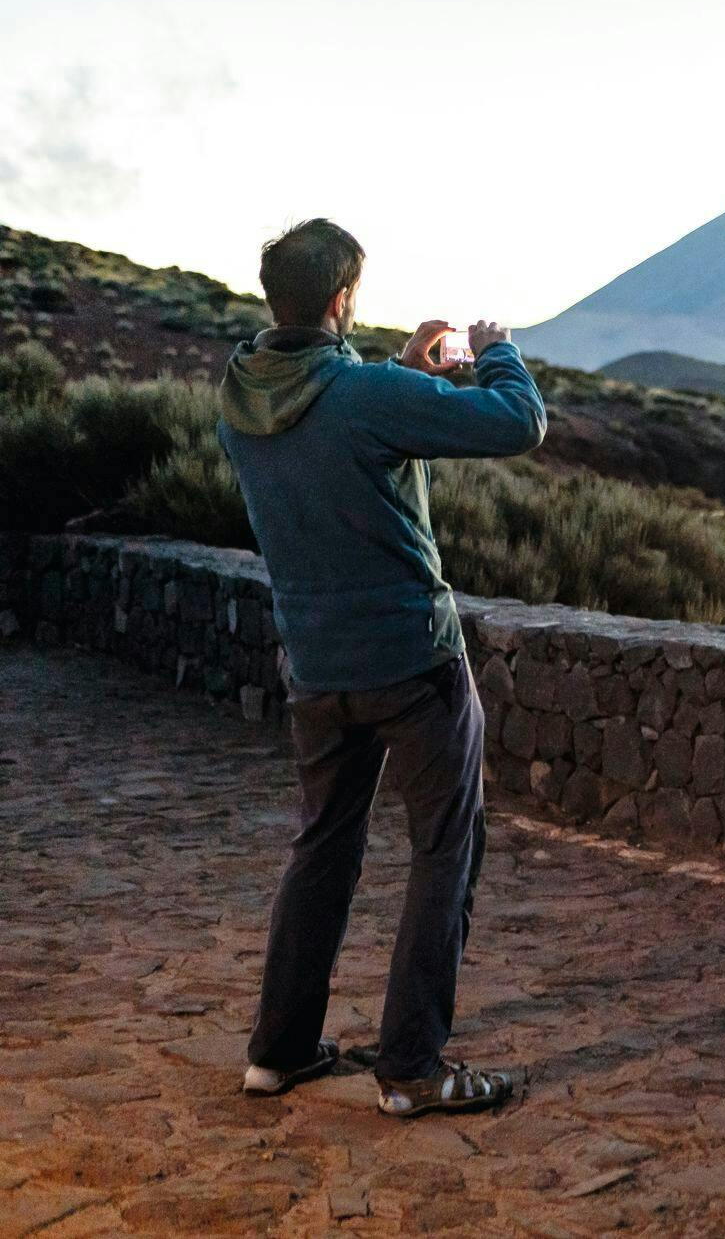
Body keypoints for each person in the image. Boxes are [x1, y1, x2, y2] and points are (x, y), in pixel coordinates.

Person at [219, 218, 545, 1118]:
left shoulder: (241, 392)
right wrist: (496, 354)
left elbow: (333, 424)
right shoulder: (362, 396)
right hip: (412, 661)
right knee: (445, 850)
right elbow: (519, 422)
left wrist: (404, 371)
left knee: (321, 849)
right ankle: (411, 1066)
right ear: (340, 299)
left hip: (318, 667)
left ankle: (277, 1051)